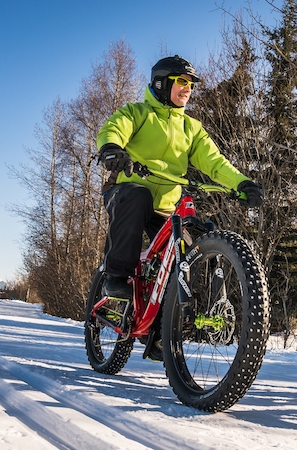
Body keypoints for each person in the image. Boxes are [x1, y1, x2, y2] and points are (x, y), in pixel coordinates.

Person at [94, 55, 263, 359]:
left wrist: (241, 183)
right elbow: (113, 129)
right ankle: (115, 276)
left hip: (166, 207)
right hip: (127, 191)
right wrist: (112, 150)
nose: (187, 88)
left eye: (190, 84)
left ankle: (163, 330)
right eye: (181, 82)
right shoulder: (138, 113)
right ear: (162, 83)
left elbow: (215, 162)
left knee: (186, 247)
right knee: (138, 197)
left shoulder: (191, 128)